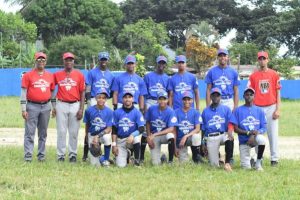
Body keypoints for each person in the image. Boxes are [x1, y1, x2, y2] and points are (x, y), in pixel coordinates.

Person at [248, 51, 281, 167]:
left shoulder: (274, 74)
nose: (262, 60)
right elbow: (249, 94)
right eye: (260, 59)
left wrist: (278, 109)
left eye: (264, 58)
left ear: (268, 60)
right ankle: (259, 158)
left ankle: (274, 159)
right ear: (258, 60)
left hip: (271, 106)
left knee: (273, 134)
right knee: (258, 134)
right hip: (257, 107)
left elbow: (278, 92)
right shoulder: (253, 76)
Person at [20, 52, 55, 162]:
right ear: (35, 61)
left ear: (46, 62)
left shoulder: (50, 76)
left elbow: (53, 92)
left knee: (43, 133)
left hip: (46, 106)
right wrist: (23, 109)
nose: (41, 62)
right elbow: (23, 93)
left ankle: (41, 156)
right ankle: (28, 156)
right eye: (39, 60)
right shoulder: (28, 75)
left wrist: (54, 107)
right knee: (30, 133)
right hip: (32, 106)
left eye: (43, 60)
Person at [53, 52, 85, 163]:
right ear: (64, 61)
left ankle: (73, 154)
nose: (69, 62)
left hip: (75, 104)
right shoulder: (57, 75)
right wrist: (53, 105)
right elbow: (52, 89)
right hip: (61, 104)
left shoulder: (79, 75)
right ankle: (60, 155)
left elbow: (82, 92)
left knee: (74, 132)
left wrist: (81, 109)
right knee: (61, 131)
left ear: (73, 62)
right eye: (67, 60)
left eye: (71, 60)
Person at [82, 51, 114, 161]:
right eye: (102, 59)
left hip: (105, 98)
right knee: (91, 124)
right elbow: (88, 87)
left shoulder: (110, 75)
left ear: (108, 60)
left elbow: (112, 90)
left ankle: (104, 155)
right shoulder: (92, 72)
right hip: (93, 98)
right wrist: (88, 100)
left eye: (105, 59)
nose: (103, 61)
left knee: (104, 124)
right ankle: (86, 154)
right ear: (99, 60)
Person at [140, 55, 170, 162]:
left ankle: (163, 153)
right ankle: (141, 156)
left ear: (165, 65)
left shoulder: (167, 78)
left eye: (163, 63)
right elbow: (143, 92)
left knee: (161, 125)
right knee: (146, 127)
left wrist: (168, 106)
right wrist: (143, 106)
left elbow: (169, 93)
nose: (161, 65)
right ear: (156, 63)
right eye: (160, 63)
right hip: (151, 100)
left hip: (162, 101)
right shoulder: (148, 76)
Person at [230, 87, 267, 170]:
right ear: (243, 96)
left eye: (251, 94)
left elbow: (264, 127)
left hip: (256, 137)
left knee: (262, 139)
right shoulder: (238, 110)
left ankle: (257, 162)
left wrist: (254, 134)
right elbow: (235, 129)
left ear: (254, 96)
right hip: (244, 141)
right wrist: (248, 133)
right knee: (246, 168)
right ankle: (251, 161)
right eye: (247, 94)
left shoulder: (260, 110)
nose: (249, 96)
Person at [201, 87, 234, 171]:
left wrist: (230, 132)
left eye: (217, 95)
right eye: (214, 95)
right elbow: (203, 128)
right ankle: (221, 158)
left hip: (223, 134)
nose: (215, 97)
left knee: (229, 137)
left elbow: (230, 123)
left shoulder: (226, 109)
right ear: (210, 97)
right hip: (211, 137)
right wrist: (203, 143)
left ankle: (227, 163)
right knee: (214, 166)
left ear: (220, 97)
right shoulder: (205, 111)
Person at [112, 91, 145, 167]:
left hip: (131, 139)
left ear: (133, 99)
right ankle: (127, 154)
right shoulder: (116, 112)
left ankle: (137, 162)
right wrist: (114, 145)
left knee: (136, 139)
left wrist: (133, 135)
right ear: (122, 99)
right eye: (125, 97)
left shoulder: (137, 112)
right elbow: (114, 129)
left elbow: (142, 128)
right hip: (120, 140)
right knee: (120, 166)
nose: (127, 99)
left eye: (129, 97)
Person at [145, 91, 177, 165]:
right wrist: (149, 136)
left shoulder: (171, 111)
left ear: (167, 100)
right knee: (155, 164)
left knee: (171, 136)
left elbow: (171, 129)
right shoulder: (151, 109)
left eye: (164, 99)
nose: (162, 101)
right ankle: (163, 158)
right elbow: (148, 122)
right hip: (154, 136)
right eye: (160, 99)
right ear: (157, 100)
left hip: (163, 135)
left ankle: (170, 161)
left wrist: (155, 134)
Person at [83, 89, 113, 166]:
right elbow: (87, 125)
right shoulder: (89, 110)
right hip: (92, 134)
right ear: (96, 98)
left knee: (107, 138)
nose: (101, 99)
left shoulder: (109, 111)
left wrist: (98, 136)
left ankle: (106, 159)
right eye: (99, 97)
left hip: (102, 135)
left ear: (106, 99)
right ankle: (102, 158)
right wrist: (87, 135)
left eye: (103, 98)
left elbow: (109, 128)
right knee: (95, 164)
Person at [175, 91, 203, 164]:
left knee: (196, 136)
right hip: (180, 141)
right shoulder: (176, 112)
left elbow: (197, 129)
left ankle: (196, 157)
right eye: (185, 99)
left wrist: (186, 136)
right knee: (184, 164)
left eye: (189, 99)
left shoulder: (195, 112)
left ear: (192, 100)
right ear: (182, 100)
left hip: (190, 138)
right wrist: (175, 146)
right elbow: (174, 130)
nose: (187, 101)